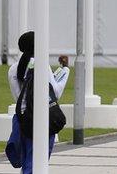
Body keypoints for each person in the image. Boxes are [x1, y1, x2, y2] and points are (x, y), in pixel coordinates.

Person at [6, 31, 70, 174]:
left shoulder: (13, 69)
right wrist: (65, 70)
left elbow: (19, 96)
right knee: (36, 163)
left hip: (21, 120)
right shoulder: (42, 65)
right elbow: (55, 92)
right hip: (41, 120)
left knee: (28, 162)